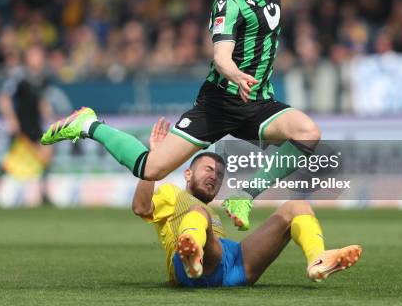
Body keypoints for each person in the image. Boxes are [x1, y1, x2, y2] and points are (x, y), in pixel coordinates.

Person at [41, 0, 320, 230]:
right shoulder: (229, 2)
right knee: (151, 169)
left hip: (256, 103)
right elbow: (221, 57)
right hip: (221, 103)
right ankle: (89, 125)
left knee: (307, 132)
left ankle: (243, 196)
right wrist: (237, 75)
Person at [133, 118, 361, 287]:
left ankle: (318, 260)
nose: (214, 176)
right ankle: (192, 255)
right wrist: (152, 160)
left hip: (232, 264)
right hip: (192, 268)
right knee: (198, 213)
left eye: (220, 175)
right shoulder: (171, 194)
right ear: (188, 174)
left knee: (296, 207)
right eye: (208, 169)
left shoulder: (208, 210)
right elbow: (141, 208)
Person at [0, 45, 54, 205]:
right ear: (28, 58)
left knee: (46, 155)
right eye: (35, 55)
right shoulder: (19, 77)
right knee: (10, 161)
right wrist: (11, 119)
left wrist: (47, 113)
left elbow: (41, 100)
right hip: (22, 126)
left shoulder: (42, 78)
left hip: (35, 125)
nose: (39, 58)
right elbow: (3, 98)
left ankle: (43, 194)